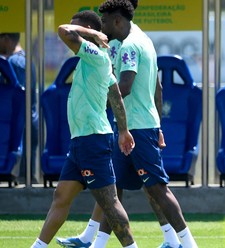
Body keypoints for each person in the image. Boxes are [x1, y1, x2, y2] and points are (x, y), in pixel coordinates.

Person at [57, 1, 196, 248]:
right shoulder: (143, 39)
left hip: (138, 129)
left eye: (106, 22)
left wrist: (97, 104)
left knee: (157, 189)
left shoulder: (130, 46)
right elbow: (157, 87)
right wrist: (159, 125)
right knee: (113, 190)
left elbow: (126, 87)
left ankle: (187, 243)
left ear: (118, 21)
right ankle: (95, 242)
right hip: (137, 127)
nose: (104, 27)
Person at [31, 10, 137, 248]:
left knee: (109, 203)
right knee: (61, 197)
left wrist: (90, 32)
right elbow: (116, 96)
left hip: (93, 140)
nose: (73, 30)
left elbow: (63, 31)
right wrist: (123, 130)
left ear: (90, 31)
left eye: (79, 27)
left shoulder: (96, 55)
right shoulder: (93, 59)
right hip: (80, 141)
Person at [0, 32, 38, 185]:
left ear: (6, 39)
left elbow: (18, 99)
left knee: (21, 179)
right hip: (29, 120)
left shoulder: (14, 62)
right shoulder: (26, 60)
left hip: (20, 125)